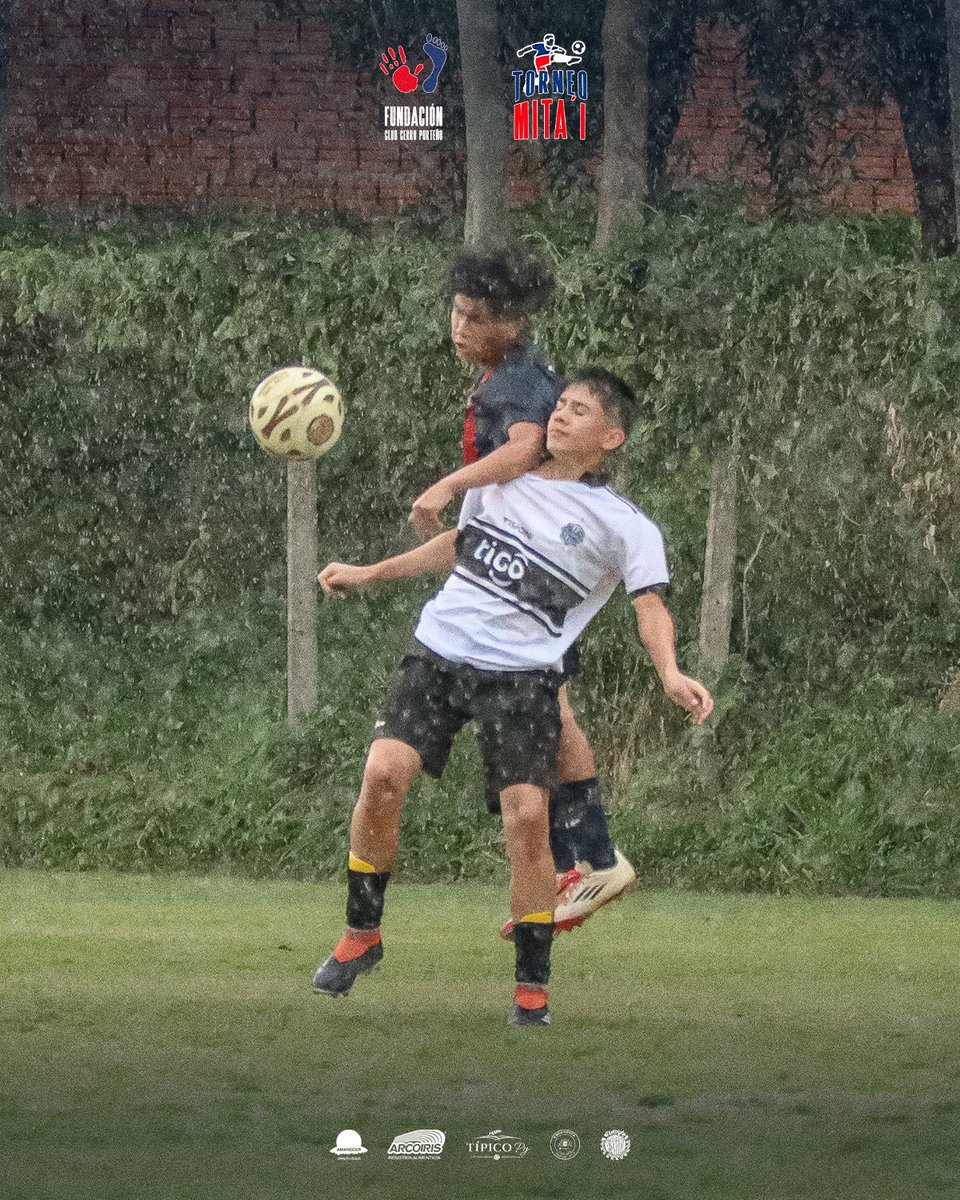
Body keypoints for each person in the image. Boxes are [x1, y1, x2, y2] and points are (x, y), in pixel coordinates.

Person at [312, 369, 713, 1026]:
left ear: (610, 437)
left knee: (527, 821)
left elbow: (650, 606)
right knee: (382, 775)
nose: (559, 416)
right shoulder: (499, 479)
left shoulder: (624, 525)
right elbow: (459, 546)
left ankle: (531, 990)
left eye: (579, 411)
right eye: (560, 405)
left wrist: (670, 672)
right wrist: (371, 573)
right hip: (439, 653)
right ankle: (362, 936)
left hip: (525, 678)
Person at [409, 248, 637, 939]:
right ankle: (585, 858)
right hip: (530, 547)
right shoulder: (517, 370)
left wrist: (451, 484)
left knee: (554, 705)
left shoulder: (516, 380)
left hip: (539, 556)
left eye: (475, 318)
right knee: (556, 702)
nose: (460, 327)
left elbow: (522, 447)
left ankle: (594, 857)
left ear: (511, 324)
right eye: (456, 313)